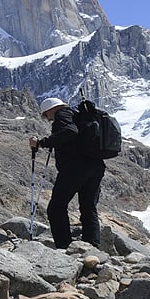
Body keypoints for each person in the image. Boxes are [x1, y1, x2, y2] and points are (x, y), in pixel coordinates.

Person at [29, 97, 106, 249]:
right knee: (88, 208)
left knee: (56, 207)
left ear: (51, 109)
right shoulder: (79, 115)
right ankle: (92, 247)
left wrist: (42, 142)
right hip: (96, 165)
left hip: (75, 167)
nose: (48, 119)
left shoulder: (62, 114)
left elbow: (70, 132)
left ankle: (64, 247)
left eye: (46, 115)